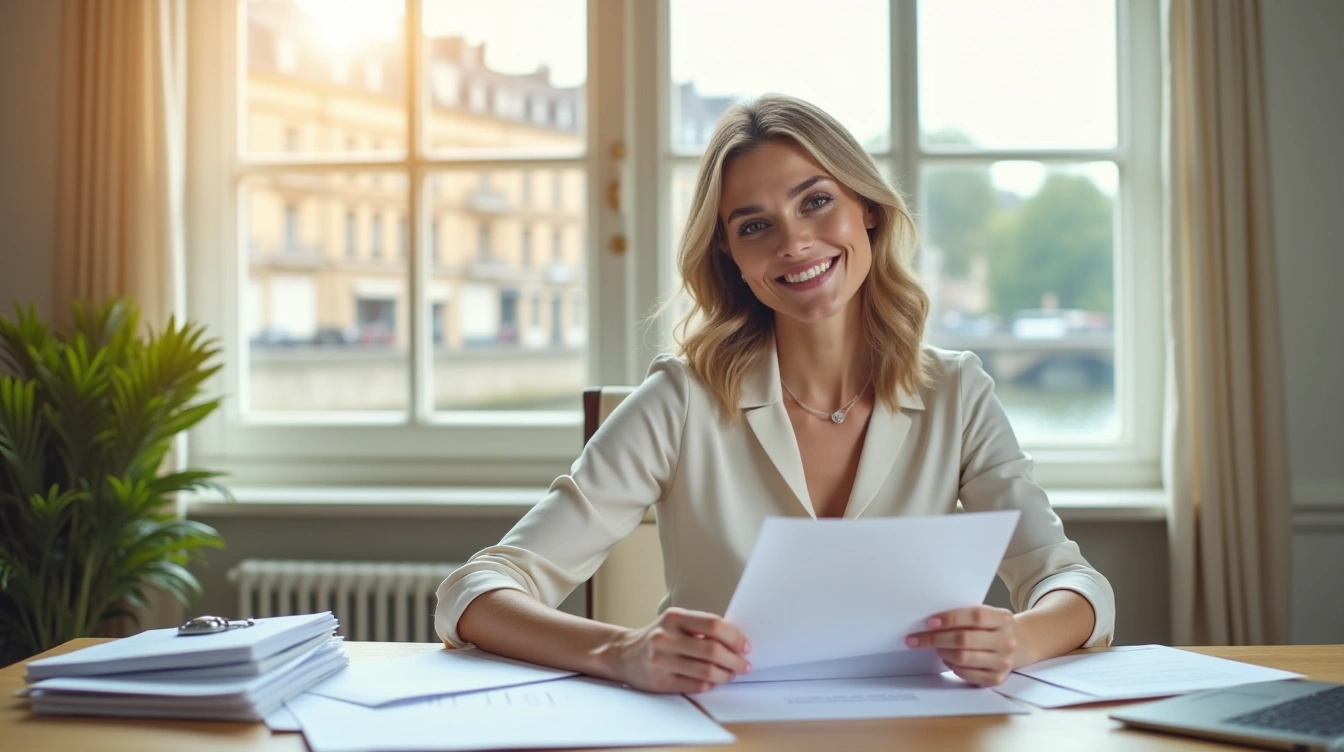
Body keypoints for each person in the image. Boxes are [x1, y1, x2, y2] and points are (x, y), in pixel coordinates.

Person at [436, 94, 1114, 694]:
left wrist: (1015, 640)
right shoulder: (680, 399)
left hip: (917, 736)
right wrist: (620, 651)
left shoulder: (957, 390)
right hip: (724, 737)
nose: (795, 243)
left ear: (868, 211)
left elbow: (1076, 587)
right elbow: (473, 593)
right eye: (755, 226)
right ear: (729, 255)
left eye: (816, 201)